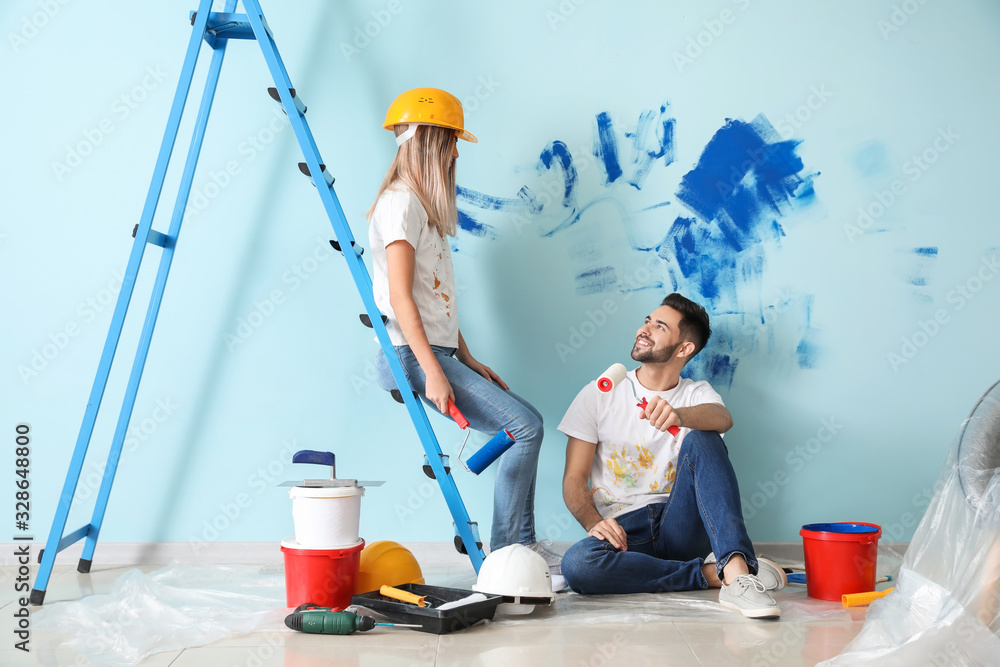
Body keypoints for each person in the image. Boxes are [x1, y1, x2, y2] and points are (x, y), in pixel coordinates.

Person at [368, 88, 560, 569]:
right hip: (411, 356)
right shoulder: (400, 205)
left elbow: (435, 303)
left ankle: (521, 544)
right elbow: (399, 297)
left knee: (527, 420)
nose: (456, 152)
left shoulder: (420, 207)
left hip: (437, 351)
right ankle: (510, 552)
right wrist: (434, 370)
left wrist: (466, 357)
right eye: (452, 140)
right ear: (430, 139)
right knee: (525, 428)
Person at [557, 293, 786, 618]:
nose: (644, 329)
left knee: (704, 437)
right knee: (578, 565)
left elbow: (723, 419)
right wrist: (595, 522)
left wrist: (679, 415)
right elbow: (573, 479)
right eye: (647, 320)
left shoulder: (696, 393)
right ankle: (714, 575)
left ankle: (736, 575)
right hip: (626, 531)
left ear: (684, 349)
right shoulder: (599, 392)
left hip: (681, 523)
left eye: (659, 326)